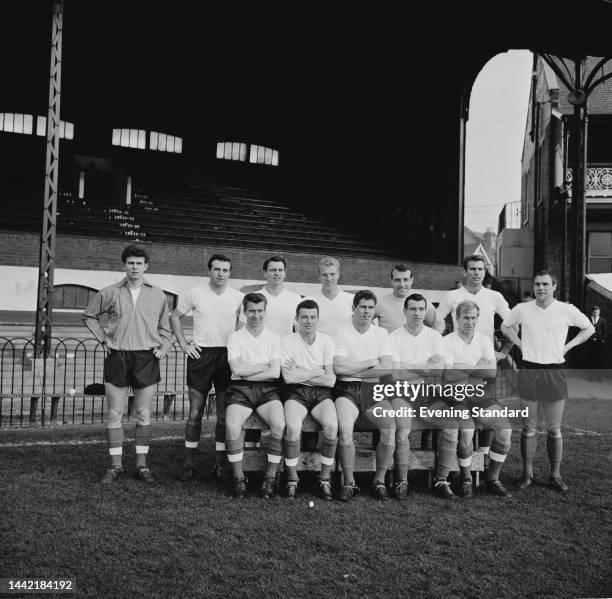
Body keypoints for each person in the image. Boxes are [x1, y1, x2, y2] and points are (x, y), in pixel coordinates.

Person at [83, 244, 171, 484]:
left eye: (139, 263)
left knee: (143, 413)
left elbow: (166, 328)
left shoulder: (157, 293)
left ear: (146, 267)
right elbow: (89, 315)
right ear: (124, 265)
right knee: (115, 413)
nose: (135, 267)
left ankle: (142, 466)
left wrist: (164, 346)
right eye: (130, 263)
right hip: (118, 356)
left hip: (146, 358)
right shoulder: (110, 292)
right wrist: (103, 339)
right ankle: (115, 466)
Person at [501, 271, 594, 492]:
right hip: (529, 371)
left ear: (554, 286)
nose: (540, 288)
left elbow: (589, 328)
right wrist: (521, 344)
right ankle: (527, 473)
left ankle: (555, 475)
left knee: (554, 429)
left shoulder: (566, 309)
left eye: (545, 284)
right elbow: (505, 326)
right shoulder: (523, 308)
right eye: (537, 284)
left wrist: (568, 347)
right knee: (528, 428)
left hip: (554, 371)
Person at [170, 253, 243, 481]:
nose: (221, 274)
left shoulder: (239, 297)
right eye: (217, 269)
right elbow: (174, 317)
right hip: (200, 354)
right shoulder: (195, 293)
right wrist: (183, 344)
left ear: (230, 273)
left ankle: (219, 464)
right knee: (195, 413)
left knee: (222, 415)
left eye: (225, 270)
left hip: (226, 356)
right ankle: (188, 464)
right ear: (209, 270)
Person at [437, 254, 513, 469]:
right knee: (467, 421)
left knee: (488, 412)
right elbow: (438, 323)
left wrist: (504, 351)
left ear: (484, 271)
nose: (477, 272)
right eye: (472, 269)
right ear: (465, 271)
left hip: (485, 356)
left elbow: (511, 323)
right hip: (459, 357)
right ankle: (466, 466)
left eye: (480, 269)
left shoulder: (494, 296)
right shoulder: (452, 296)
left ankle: (485, 458)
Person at [441, 301, 512, 498]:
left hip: (480, 395)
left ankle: (492, 479)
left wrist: (462, 367)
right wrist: (476, 367)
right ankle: (466, 478)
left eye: (473, 318)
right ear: (457, 318)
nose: (470, 322)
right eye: (466, 317)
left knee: (505, 431)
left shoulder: (484, 340)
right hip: (456, 396)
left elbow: (491, 372)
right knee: (467, 432)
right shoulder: (447, 341)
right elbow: (448, 375)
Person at [382, 293, 446, 500]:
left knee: (452, 423)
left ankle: (442, 479)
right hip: (402, 392)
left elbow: (439, 370)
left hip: (428, 392)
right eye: (413, 309)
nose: (417, 313)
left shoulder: (434, 337)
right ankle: (402, 480)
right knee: (403, 429)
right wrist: (425, 367)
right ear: (405, 311)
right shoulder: (394, 337)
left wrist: (414, 368)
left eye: (421, 309)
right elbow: (396, 373)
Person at [224, 293, 286, 498]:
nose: (255, 315)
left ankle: (269, 478)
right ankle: (238, 478)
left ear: (265, 312)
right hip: (241, 389)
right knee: (232, 426)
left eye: (260, 311)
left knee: (279, 425)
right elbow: (235, 370)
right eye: (251, 310)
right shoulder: (235, 337)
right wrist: (262, 366)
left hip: (268, 390)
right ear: (245, 311)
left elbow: (275, 372)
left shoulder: (274, 338)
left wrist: (247, 368)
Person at [333, 290, 391, 501]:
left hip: (373, 389)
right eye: (362, 307)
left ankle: (380, 482)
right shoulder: (341, 331)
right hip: (346, 389)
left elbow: (386, 368)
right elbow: (339, 369)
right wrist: (370, 362)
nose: (367, 311)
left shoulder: (381, 334)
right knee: (346, 429)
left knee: (389, 429)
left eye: (370, 307)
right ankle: (350, 483)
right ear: (353, 308)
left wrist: (354, 368)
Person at [280, 299, 337, 500]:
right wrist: (315, 371)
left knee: (331, 426)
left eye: (313, 317)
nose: (308, 321)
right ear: (296, 319)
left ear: (318, 319)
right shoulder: (287, 341)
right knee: (293, 427)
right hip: (295, 392)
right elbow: (288, 378)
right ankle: (292, 479)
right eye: (304, 317)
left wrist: (301, 372)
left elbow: (330, 380)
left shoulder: (327, 341)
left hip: (321, 393)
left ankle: (324, 479)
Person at [374, 264, 445, 334]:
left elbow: (439, 324)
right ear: (391, 281)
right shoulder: (381, 302)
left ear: (411, 280)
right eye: (397, 280)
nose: (402, 284)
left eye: (405, 280)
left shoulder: (421, 302)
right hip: (391, 345)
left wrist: (429, 341)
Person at [304, 256, 354, 339]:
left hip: (344, 351)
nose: (329, 278)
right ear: (319, 277)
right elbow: (301, 331)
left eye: (332, 274)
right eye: (325, 275)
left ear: (338, 274)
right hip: (318, 351)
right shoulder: (308, 301)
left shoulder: (352, 300)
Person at [585, 305, 607, 370]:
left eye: (597, 312)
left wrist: (602, 339)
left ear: (599, 312)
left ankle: (597, 376)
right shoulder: (588, 319)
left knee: (599, 357)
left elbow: (605, 331)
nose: (596, 313)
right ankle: (591, 376)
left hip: (599, 342)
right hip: (590, 341)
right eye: (594, 312)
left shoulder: (603, 321)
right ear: (592, 312)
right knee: (590, 357)